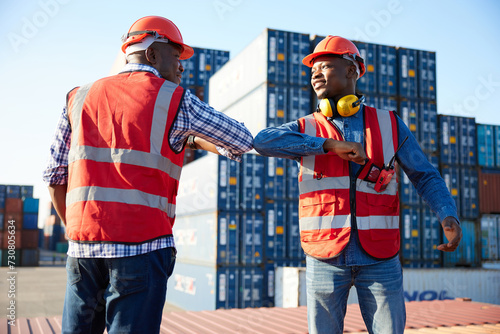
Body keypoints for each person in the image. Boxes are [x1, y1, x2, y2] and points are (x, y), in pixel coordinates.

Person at [42, 16, 253, 334]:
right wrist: (191, 135)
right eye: (177, 55)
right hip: (142, 249)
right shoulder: (174, 99)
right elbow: (240, 139)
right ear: (152, 54)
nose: (182, 66)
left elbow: (55, 175)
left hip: (83, 249)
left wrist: (76, 231)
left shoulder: (78, 97)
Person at [253, 35, 462, 334]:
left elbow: (425, 174)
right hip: (324, 255)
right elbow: (262, 141)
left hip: (380, 257)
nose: (315, 73)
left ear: (352, 70)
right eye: (312, 68)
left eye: (324, 66)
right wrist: (327, 145)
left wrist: (447, 214)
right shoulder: (306, 128)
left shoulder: (389, 123)